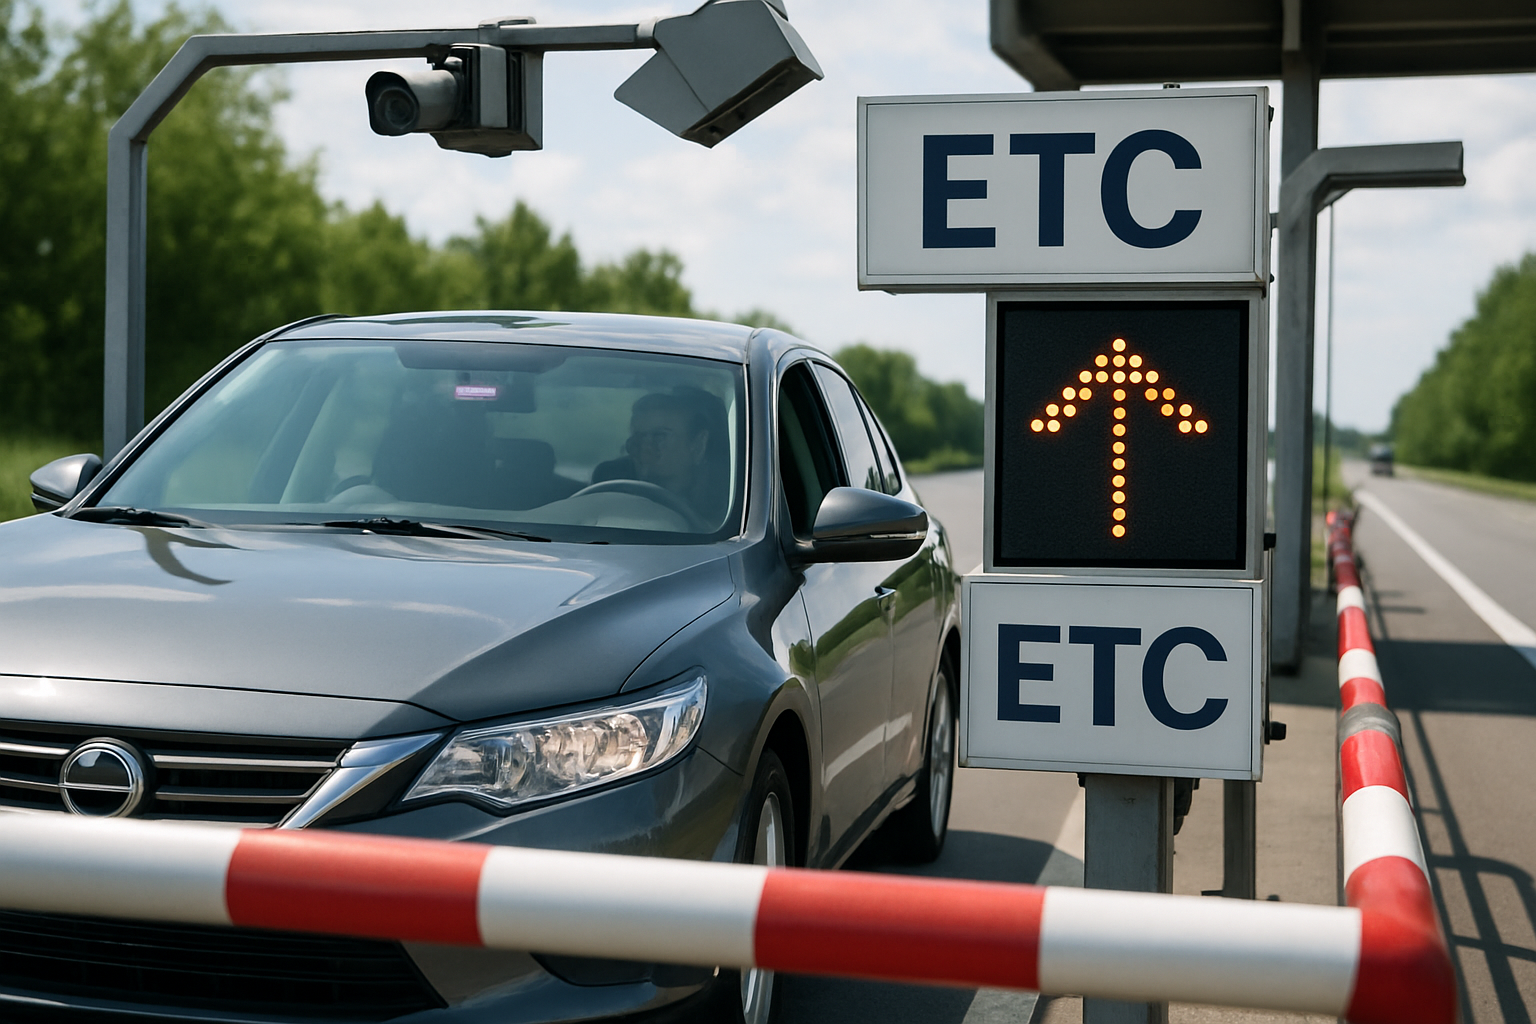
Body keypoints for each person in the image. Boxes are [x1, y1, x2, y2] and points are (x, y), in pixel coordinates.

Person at [594, 389, 728, 524]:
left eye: (659, 436)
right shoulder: (608, 486)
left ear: (698, 444)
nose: (643, 447)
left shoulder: (730, 508)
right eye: (637, 438)